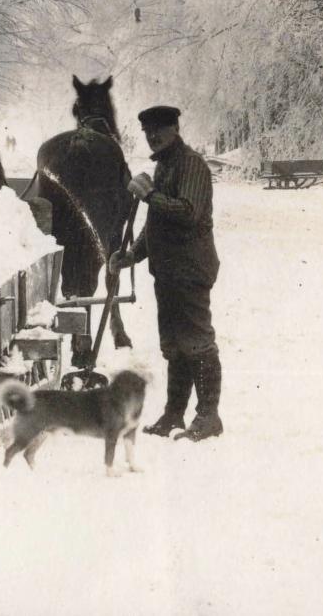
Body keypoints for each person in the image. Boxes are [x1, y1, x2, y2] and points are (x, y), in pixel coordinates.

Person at [108, 105, 224, 441]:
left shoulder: (192, 165)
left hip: (190, 269)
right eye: (148, 131)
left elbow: (187, 212)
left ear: (175, 129)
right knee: (174, 346)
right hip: (168, 272)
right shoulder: (165, 166)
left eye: (159, 129)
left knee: (198, 343)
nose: (152, 136)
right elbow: (155, 224)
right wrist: (132, 254)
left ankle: (208, 416)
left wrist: (150, 195)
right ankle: (174, 414)